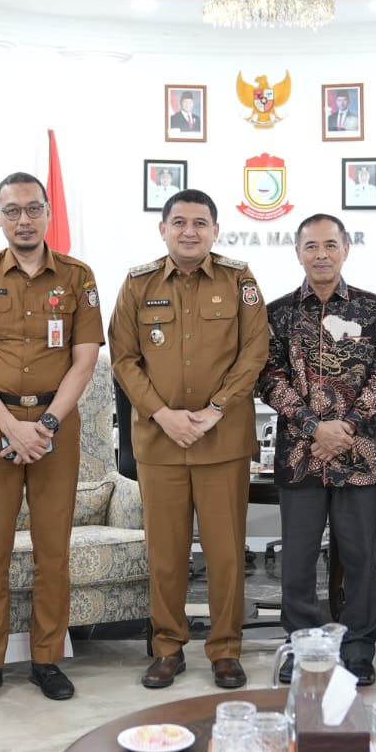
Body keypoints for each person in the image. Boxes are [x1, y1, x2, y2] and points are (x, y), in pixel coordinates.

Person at [0, 172, 103, 707]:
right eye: (12, 210)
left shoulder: (78, 276)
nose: (24, 220)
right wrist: (11, 426)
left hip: (54, 426)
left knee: (52, 550)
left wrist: (47, 425)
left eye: (33, 208)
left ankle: (46, 659)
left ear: (47, 213)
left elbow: (85, 362)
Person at [110, 189, 268, 690]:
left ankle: (225, 649)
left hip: (222, 441)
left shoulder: (239, 279)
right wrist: (162, 415)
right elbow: (123, 358)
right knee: (166, 554)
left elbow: (255, 351)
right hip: (160, 443)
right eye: (179, 222)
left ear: (216, 231)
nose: (190, 231)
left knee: (226, 554)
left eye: (201, 223)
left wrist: (215, 409)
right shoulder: (138, 284)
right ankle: (167, 648)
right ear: (163, 229)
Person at [258, 213, 376, 686]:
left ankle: (358, 649)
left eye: (330, 245)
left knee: (359, 557)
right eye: (311, 246)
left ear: (345, 250)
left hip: (359, 455)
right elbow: (269, 377)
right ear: (298, 252)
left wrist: (347, 426)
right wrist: (314, 427)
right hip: (301, 455)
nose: (321, 255)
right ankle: (302, 647)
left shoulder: (373, 308)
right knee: (298, 560)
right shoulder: (277, 312)